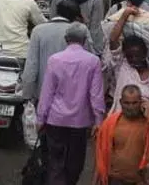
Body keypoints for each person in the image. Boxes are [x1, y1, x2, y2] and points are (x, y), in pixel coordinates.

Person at [37, 22, 105, 185]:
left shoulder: (55, 60)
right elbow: (96, 94)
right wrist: (98, 120)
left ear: (66, 39)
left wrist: (41, 118)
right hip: (80, 121)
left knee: (55, 161)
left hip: (55, 118)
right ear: (84, 40)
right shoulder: (93, 61)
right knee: (75, 161)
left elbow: (47, 92)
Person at [23, 0, 88, 99]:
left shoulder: (38, 31)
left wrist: (27, 95)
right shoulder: (81, 30)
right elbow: (89, 61)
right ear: (76, 17)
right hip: (73, 95)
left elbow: (31, 66)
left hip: (43, 94)